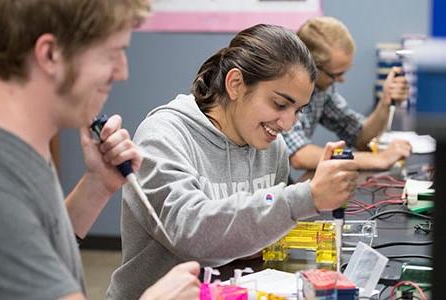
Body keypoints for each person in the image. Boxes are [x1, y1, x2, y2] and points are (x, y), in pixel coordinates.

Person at [108, 24, 359, 300]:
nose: (288, 124)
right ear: (236, 84)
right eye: (279, 104)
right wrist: (304, 197)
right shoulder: (163, 137)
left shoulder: (272, 147)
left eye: (298, 111)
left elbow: (259, 225)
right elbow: (191, 233)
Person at [0, 1, 200, 299]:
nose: (122, 72)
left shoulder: (24, 145)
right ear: (50, 54)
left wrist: (98, 184)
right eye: (112, 53)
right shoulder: (1, 181)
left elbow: (34, 244)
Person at [283, 16, 412, 170]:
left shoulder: (321, 91)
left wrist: (385, 101)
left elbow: (360, 137)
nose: (341, 80)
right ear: (310, 66)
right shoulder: (284, 92)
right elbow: (300, 156)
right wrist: (375, 159)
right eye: (335, 75)